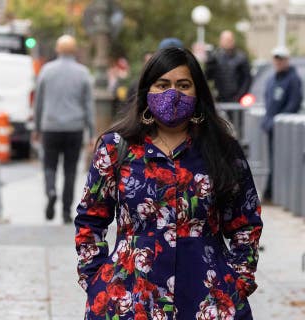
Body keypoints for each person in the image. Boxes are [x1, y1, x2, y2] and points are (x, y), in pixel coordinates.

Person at [75, 47, 262, 319]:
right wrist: (95, 280)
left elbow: (245, 222)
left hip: (208, 299)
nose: (172, 93)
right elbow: (91, 217)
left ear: (197, 93)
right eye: (162, 84)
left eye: (183, 85)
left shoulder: (223, 150)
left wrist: (239, 281)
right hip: (130, 298)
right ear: (147, 91)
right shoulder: (116, 148)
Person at [33, 34, 94, 224]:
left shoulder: (46, 71)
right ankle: (67, 212)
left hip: (50, 126)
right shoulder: (83, 73)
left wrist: (37, 127)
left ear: (58, 50)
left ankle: (51, 191)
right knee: (70, 171)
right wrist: (91, 132)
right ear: (74, 51)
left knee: (49, 165)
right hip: (74, 128)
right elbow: (88, 105)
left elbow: (38, 102)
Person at [260, 46, 303, 201]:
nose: (278, 62)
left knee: (283, 162)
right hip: (272, 127)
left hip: (284, 129)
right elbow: (268, 101)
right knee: (272, 160)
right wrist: (267, 121)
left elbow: (294, 103)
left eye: (281, 59)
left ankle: (276, 194)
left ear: (287, 60)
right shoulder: (272, 79)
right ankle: (271, 192)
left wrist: (277, 121)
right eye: (276, 58)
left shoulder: (293, 79)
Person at [205, 30, 252, 103]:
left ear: (233, 40)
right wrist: (209, 63)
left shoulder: (241, 57)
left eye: (228, 40)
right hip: (220, 98)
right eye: (224, 40)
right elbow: (208, 77)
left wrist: (240, 96)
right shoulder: (216, 57)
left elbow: (247, 79)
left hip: (236, 99)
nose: (226, 42)